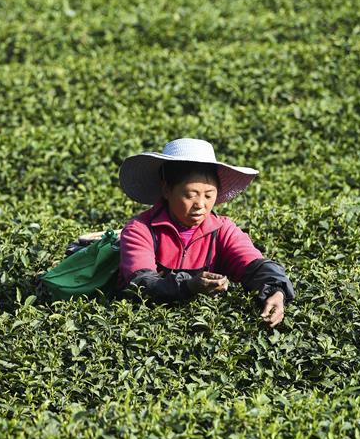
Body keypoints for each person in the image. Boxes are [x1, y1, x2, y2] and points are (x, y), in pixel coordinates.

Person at [117, 138, 294, 327]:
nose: (201, 205)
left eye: (209, 195)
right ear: (167, 190)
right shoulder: (140, 230)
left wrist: (277, 291)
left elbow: (255, 266)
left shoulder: (223, 230)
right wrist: (189, 285)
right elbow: (141, 284)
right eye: (190, 195)